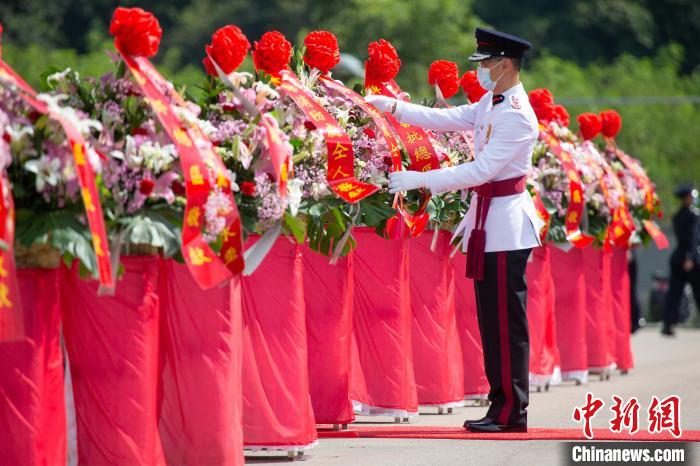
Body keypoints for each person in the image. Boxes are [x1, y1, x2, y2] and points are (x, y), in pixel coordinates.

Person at [366, 27, 544, 433]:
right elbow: (446, 119)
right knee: (491, 321)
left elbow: (482, 170)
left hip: (505, 224)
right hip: (489, 221)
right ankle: (499, 405)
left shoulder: (517, 115)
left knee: (506, 325)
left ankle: (511, 411)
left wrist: (418, 180)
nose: (480, 71)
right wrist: (392, 107)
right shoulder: (492, 103)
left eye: (485, 64)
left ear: (503, 64)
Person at [662, 183, 700, 336]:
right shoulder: (692, 216)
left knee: (674, 293)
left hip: (678, 257)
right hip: (689, 259)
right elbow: (692, 238)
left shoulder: (678, 215)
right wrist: (690, 257)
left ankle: (668, 323)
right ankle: (668, 322)